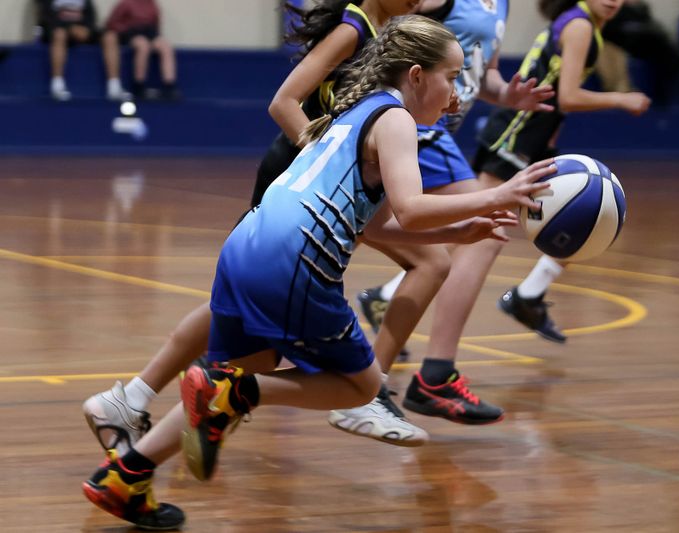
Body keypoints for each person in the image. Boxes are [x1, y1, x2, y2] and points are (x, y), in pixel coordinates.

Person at [82, 16, 556, 529]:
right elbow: (413, 207)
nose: (458, 92)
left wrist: (458, 232)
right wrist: (499, 192)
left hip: (248, 246)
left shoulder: (357, 111)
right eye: (451, 77)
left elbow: (377, 227)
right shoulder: (395, 120)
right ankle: (235, 394)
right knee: (357, 389)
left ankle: (126, 476)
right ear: (417, 76)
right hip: (296, 262)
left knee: (244, 371)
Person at [81, 0, 437, 462]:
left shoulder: (386, 35)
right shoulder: (354, 30)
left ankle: (139, 415)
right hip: (301, 184)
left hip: (316, 187)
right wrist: (325, 157)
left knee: (252, 343)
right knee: (429, 260)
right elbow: (283, 101)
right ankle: (365, 394)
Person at [333, 0, 557, 437]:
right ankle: (429, 376)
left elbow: (480, 74)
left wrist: (506, 95)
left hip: (432, 131)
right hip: (414, 128)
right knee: (482, 226)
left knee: (345, 241)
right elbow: (399, 33)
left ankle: (231, 355)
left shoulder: (502, 3)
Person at [472, 0, 650, 339]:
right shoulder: (580, 25)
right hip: (517, 134)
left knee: (587, 215)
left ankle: (529, 295)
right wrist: (620, 98)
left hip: (534, 136)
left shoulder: (579, 22)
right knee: (477, 231)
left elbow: (555, 93)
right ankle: (391, 296)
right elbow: (567, 96)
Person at [39, 0, 129, 101]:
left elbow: (90, 16)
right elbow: (46, 18)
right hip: (58, 29)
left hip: (83, 28)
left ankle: (114, 86)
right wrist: (69, 27)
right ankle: (57, 85)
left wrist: (87, 29)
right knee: (59, 34)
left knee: (110, 36)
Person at [104, 0, 180, 100]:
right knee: (143, 45)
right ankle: (139, 85)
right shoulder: (126, 3)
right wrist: (127, 29)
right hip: (131, 33)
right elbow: (112, 23)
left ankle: (169, 86)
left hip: (150, 33)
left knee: (166, 46)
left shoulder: (152, 4)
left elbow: (156, 23)